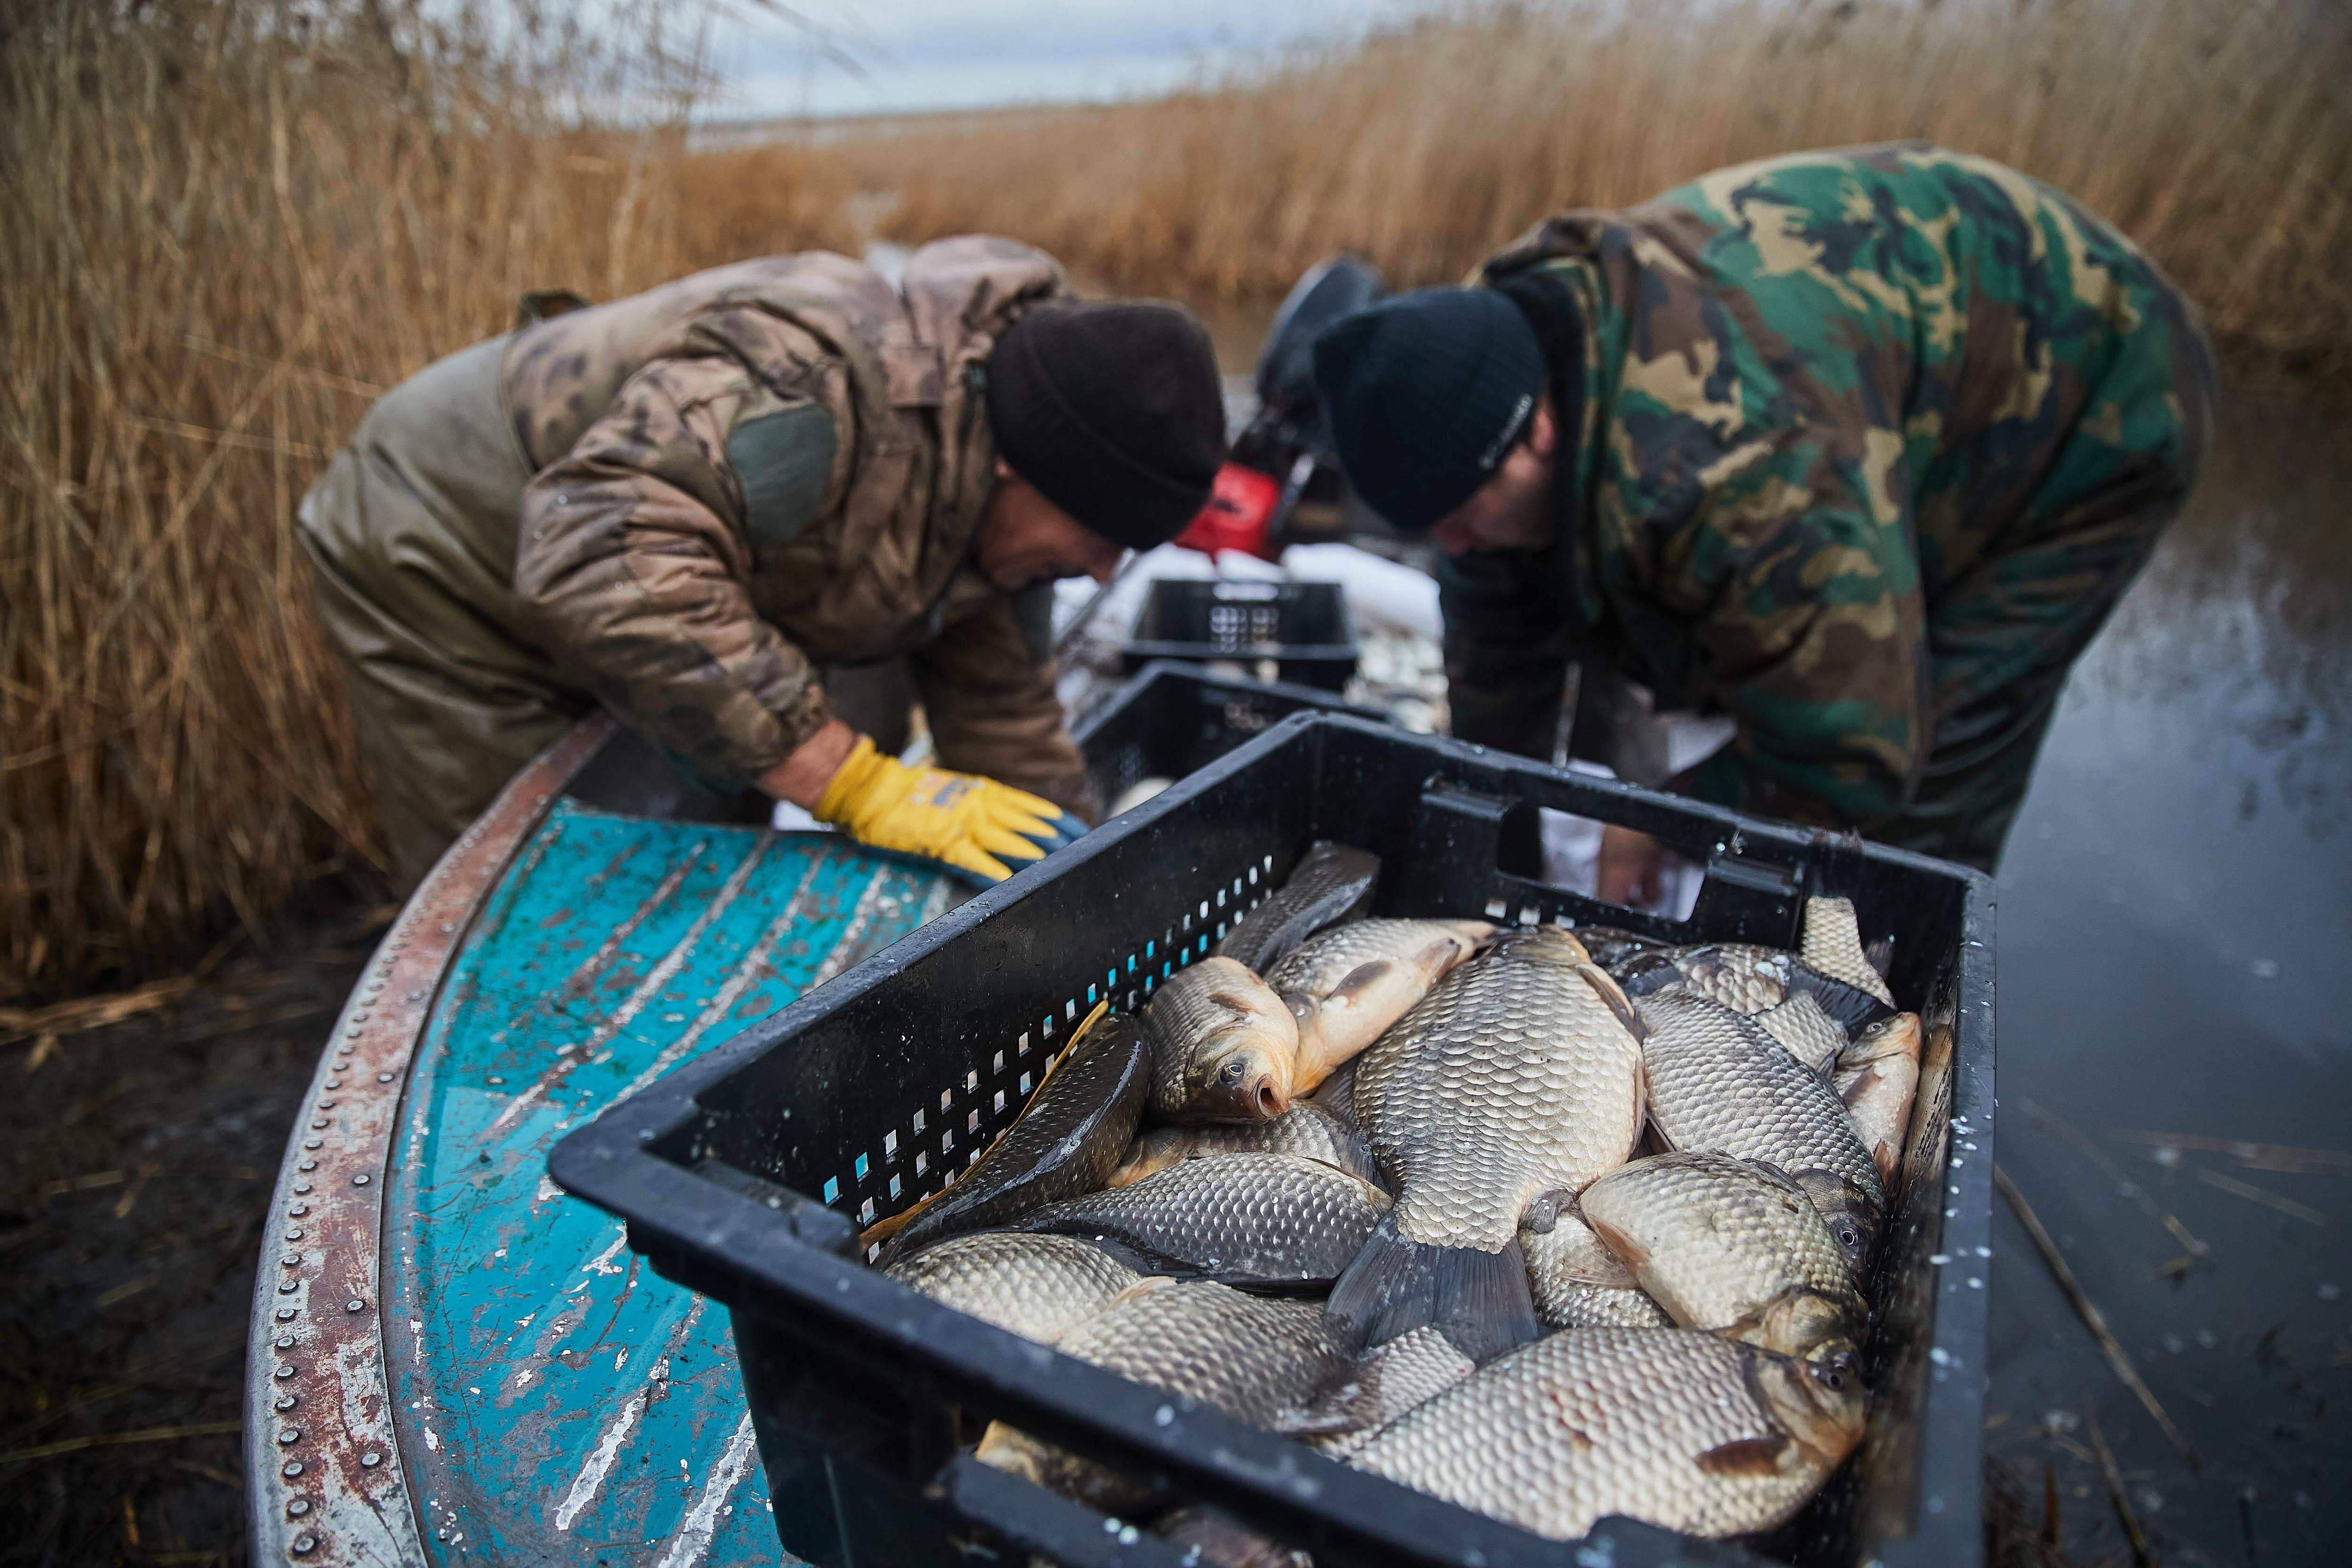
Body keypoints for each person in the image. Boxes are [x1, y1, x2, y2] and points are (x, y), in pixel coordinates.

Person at [1311, 143, 2215, 895]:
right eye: (1438, 530)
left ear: (1538, 431)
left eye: (1465, 517)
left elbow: (1857, 753)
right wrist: (1494, 866)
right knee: (1761, 632)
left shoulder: (1733, 470)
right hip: (1852, 383)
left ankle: (1886, 997)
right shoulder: (1478, 376)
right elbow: (1495, 664)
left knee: (1929, 758)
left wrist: (1661, 822)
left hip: (2094, 396)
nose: (1455, 547)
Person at [299, 237, 1225, 890]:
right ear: (1017, 463)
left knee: (712, 819)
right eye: (1099, 537)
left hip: (651, 576)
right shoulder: (816, 380)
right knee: (537, 879)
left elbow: (1001, 708)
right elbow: (595, 548)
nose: (1103, 573)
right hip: (445, 543)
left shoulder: (1001, 506)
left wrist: (1085, 876)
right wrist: (851, 780)